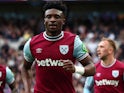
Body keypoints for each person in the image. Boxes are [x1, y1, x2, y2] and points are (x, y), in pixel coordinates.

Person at [21, 1, 95, 93]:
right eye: (49, 17)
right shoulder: (32, 43)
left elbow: (92, 68)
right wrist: (28, 90)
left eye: (57, 17)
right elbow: (24, 68)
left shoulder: (74, 41)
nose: (52, 20)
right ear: (44, 20)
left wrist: (76, 69)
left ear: (63, 20)